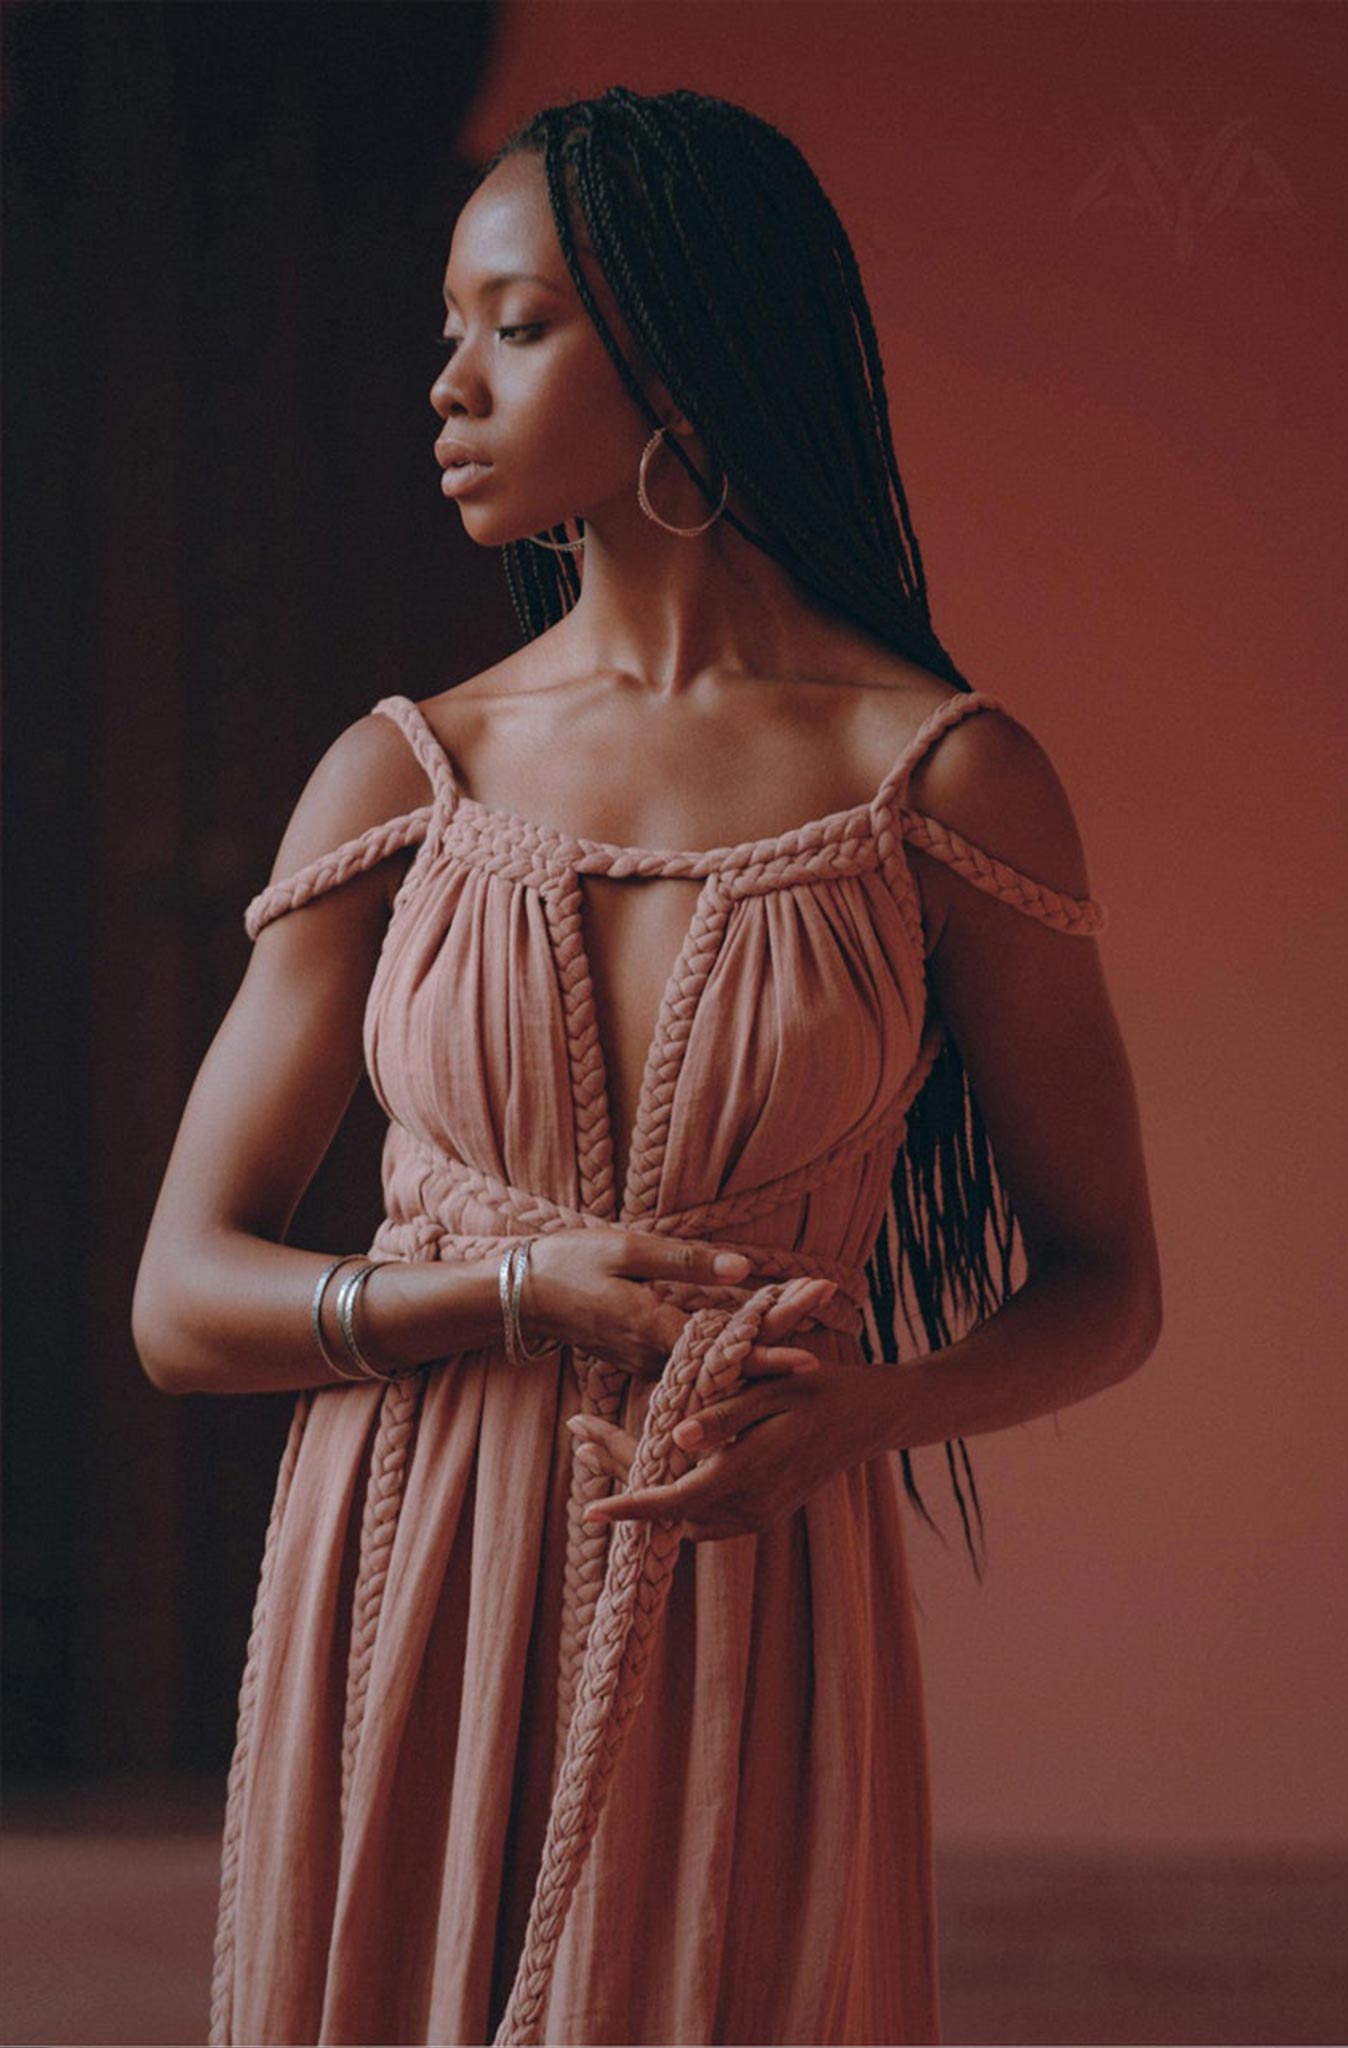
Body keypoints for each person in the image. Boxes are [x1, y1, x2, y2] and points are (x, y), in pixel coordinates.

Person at [132, 86, 1162, 2048]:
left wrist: (868, 1412)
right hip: (400, 1568)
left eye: (512, 328)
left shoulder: (937, 782)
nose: (446, 383)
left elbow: (1110, 1279)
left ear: (681, 356)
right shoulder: (402, 777)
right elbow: (181, 1302)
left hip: (745, 1573)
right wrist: (509, 1288)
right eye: (448, 326)